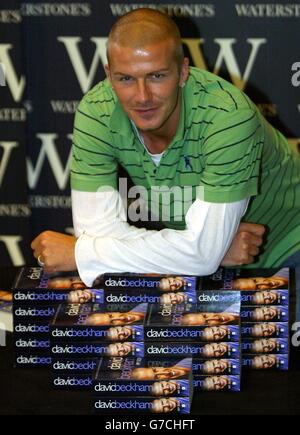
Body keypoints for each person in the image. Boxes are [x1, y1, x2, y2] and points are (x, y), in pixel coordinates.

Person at [30, 9, 300, 320]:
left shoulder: (227, 117)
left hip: (286, 248)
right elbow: (98, 233)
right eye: (126, 79)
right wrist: (205, 250)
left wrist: (80, 253)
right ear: (109, 74)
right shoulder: (96, 112)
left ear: (183, 71)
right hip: (204, 264)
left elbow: (194, 253)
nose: (142, 96)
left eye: (157, 76)